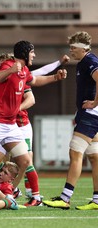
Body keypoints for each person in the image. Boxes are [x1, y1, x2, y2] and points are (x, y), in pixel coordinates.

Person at [0, 48, 70, 198]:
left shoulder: (21, 76)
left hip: (20, 125)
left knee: (26, 161)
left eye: (4, 65)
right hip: (1, 123)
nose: (2, 68)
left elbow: (34, 89)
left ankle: (29, 193)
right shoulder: (4, 79)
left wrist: (57, 68)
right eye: (1, 66)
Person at [43, 31, 98, 210]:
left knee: (75, 153)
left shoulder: (89, 61)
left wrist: (95, 102)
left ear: (83, 49)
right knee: (95, 157)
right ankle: (97, 200)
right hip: (92, 114)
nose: (71, 51)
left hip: (92, 114)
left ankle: (65, 198)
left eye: (73, 48)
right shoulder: (86, 61)